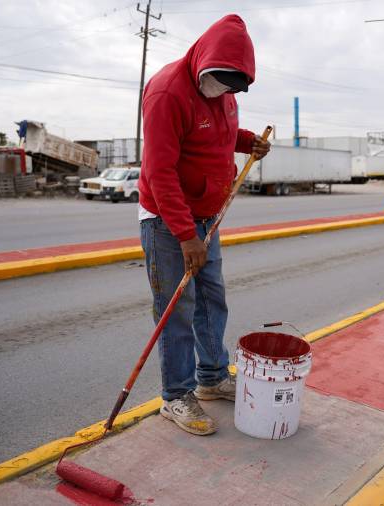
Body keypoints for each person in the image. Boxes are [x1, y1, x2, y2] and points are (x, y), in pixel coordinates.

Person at [137, 14, 270, 435]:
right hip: (167, 220)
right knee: (177, 308)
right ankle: (176, 395)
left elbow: (218, 133)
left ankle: (211, 377)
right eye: (220, 83)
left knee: (212, 298)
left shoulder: (224, 91)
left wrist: (248, 141)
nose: (224, 91)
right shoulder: (166, 92)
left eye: (233, 87)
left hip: (208, 216)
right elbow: (160, 172)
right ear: (204, 62)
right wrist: (185, 235)